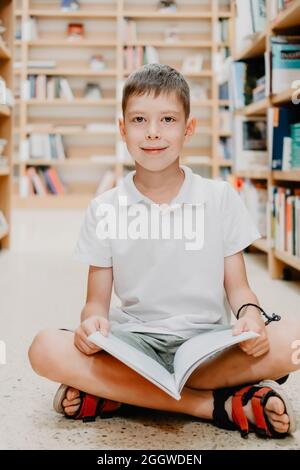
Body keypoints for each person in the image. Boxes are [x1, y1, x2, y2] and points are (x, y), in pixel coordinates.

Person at [28, 63, 300, 439]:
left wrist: (251, 317)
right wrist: (91, 325)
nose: (153, 132)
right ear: (122, 129)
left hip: (209, 345)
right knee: (44, 348)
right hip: (135, 346)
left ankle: (121, 395)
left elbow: (239, 289)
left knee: (294, 340)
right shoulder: (104, 208)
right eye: (139, 119)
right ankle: (214, 404)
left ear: (189, 128)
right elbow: (95, 304)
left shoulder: (219, 198)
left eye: (168, 119)